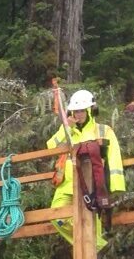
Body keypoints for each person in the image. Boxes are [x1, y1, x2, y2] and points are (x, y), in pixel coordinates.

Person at [47, 88, 125, 250]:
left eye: (82, 110)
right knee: (57, 217)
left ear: (91, 110)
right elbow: (51, 147)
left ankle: (92, 252)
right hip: (66, 185)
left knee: (91, 219)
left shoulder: (103, 130)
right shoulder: (68, 132)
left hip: (92, 185)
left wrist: (114, 185)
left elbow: (114, 157)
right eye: (76, 111)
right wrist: (66, 128)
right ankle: (98, 246)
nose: (79, 114)